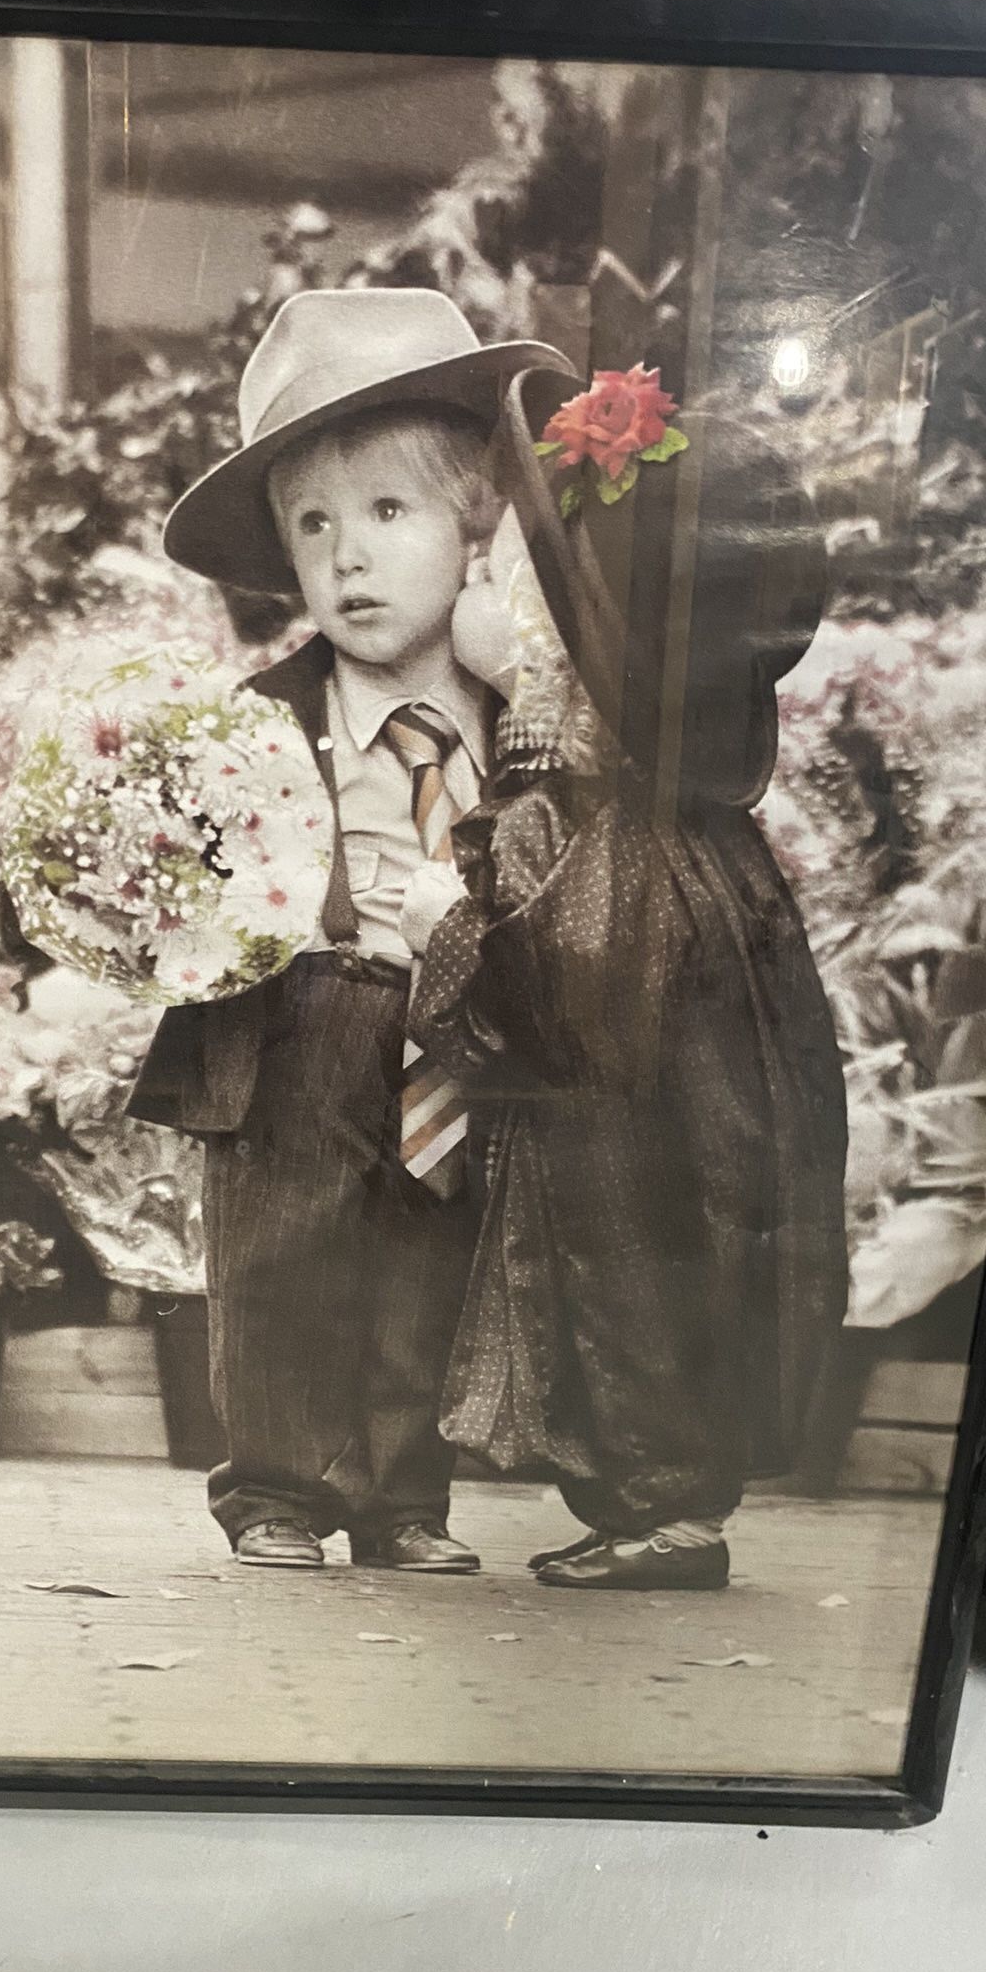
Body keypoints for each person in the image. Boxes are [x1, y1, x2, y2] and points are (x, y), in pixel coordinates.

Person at [125, 288, 574, 1573]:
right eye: (313, 524)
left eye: (388, 512)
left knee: (428, 1251)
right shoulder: (254, 720)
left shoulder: (523, 720)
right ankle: (272, 1484)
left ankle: (399, 1496)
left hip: (454, 1019)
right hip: (300, 1011)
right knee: (281, 1252)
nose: (350, 557)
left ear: (476, 524)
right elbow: (181, 867)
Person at [408, 364, 851, 1591]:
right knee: (647, 1241)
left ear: (565, 632)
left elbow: (560, 985)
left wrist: (452, 926)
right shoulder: (678, 825)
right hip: (649, 1084)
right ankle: (647, 1498)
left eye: (511, 577)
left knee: (638, 1246)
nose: (484, 587)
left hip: (625, 1101)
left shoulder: (596, 821)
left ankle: (664, 1503)